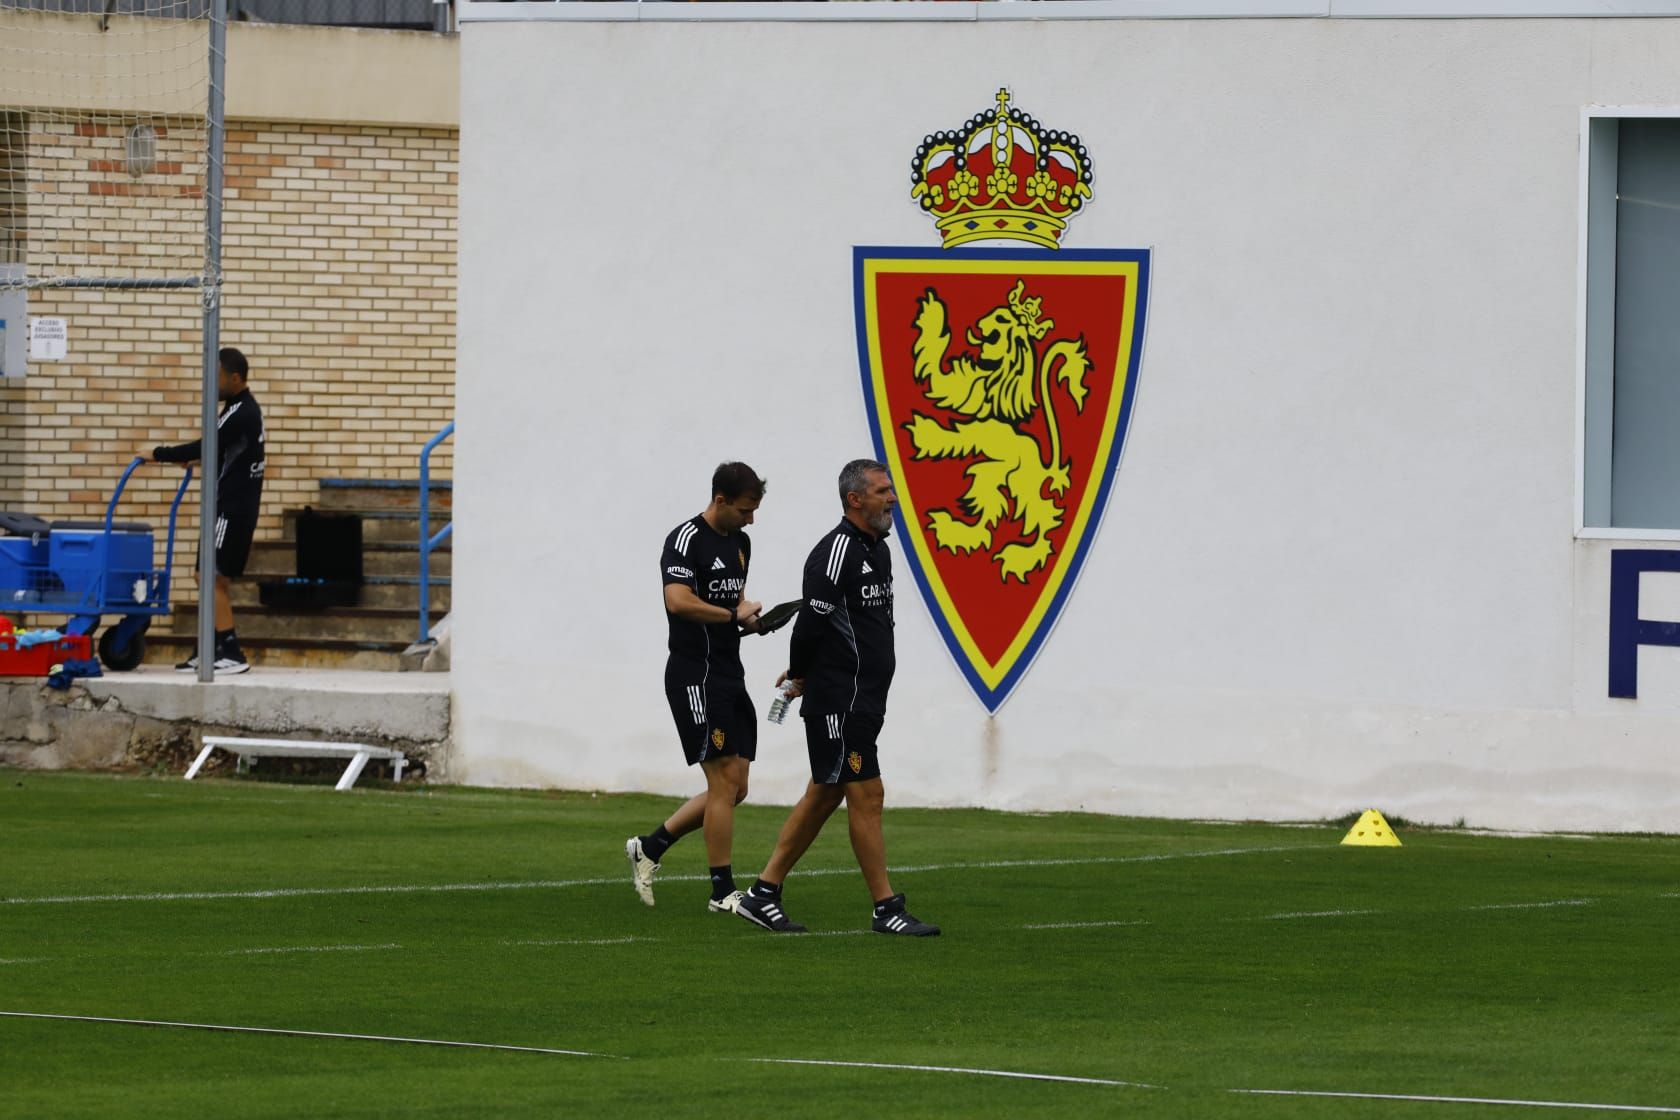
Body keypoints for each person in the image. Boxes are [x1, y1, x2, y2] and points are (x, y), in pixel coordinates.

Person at [735, 459, 940, 937]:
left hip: (864, 698)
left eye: (891, 490)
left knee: (826, 792)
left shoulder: (878, 550)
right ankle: (886, 907)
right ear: (855, 499)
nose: (893, 498)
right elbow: (811, 625)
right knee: (867, 794)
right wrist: (802, 675)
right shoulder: (835, 553)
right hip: (839, 701)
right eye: (883, 491)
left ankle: (762, 894)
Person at [626, 462, 770, 914]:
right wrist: (731, 616)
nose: (751, 520)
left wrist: (748, 618)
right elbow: (679, 600)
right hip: (695, 676)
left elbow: (729, 604)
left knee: (736, 787)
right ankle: (721, 891)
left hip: (730, 671)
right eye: (745, 510)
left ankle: (650, 847)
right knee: (723, 780)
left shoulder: (741, 543)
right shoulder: (684, 539)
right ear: (720, 500)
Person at [141, 347, 264, 675]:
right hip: (226, 507)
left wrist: (158, 453)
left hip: (232, 509)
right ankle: (207, 649)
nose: (211, 382)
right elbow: (227, 451)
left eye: (217, 376)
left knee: (212, 575)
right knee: (206, 575)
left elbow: (206, 443)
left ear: (234, 378)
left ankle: (230, 651)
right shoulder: (235, 409)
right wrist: (197, 460)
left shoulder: (242, 412)